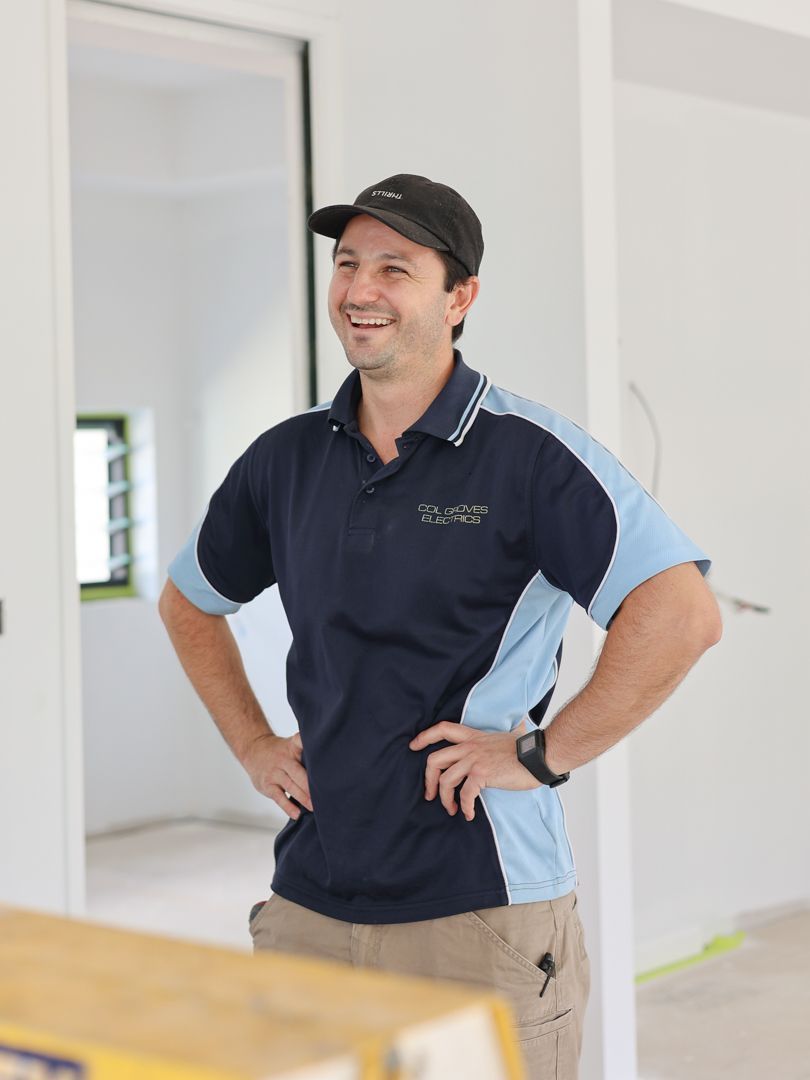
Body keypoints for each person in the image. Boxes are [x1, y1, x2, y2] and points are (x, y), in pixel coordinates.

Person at [159, 173, 722, 1078]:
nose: (360, 291)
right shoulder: (286, 458)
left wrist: (540, 754)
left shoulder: (531, 455)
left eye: (395, 267)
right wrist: (252, 743)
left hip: (478, 911)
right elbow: (189, 601)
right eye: (347, 265)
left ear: (459, 296)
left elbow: (682, 614)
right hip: (311, 902)